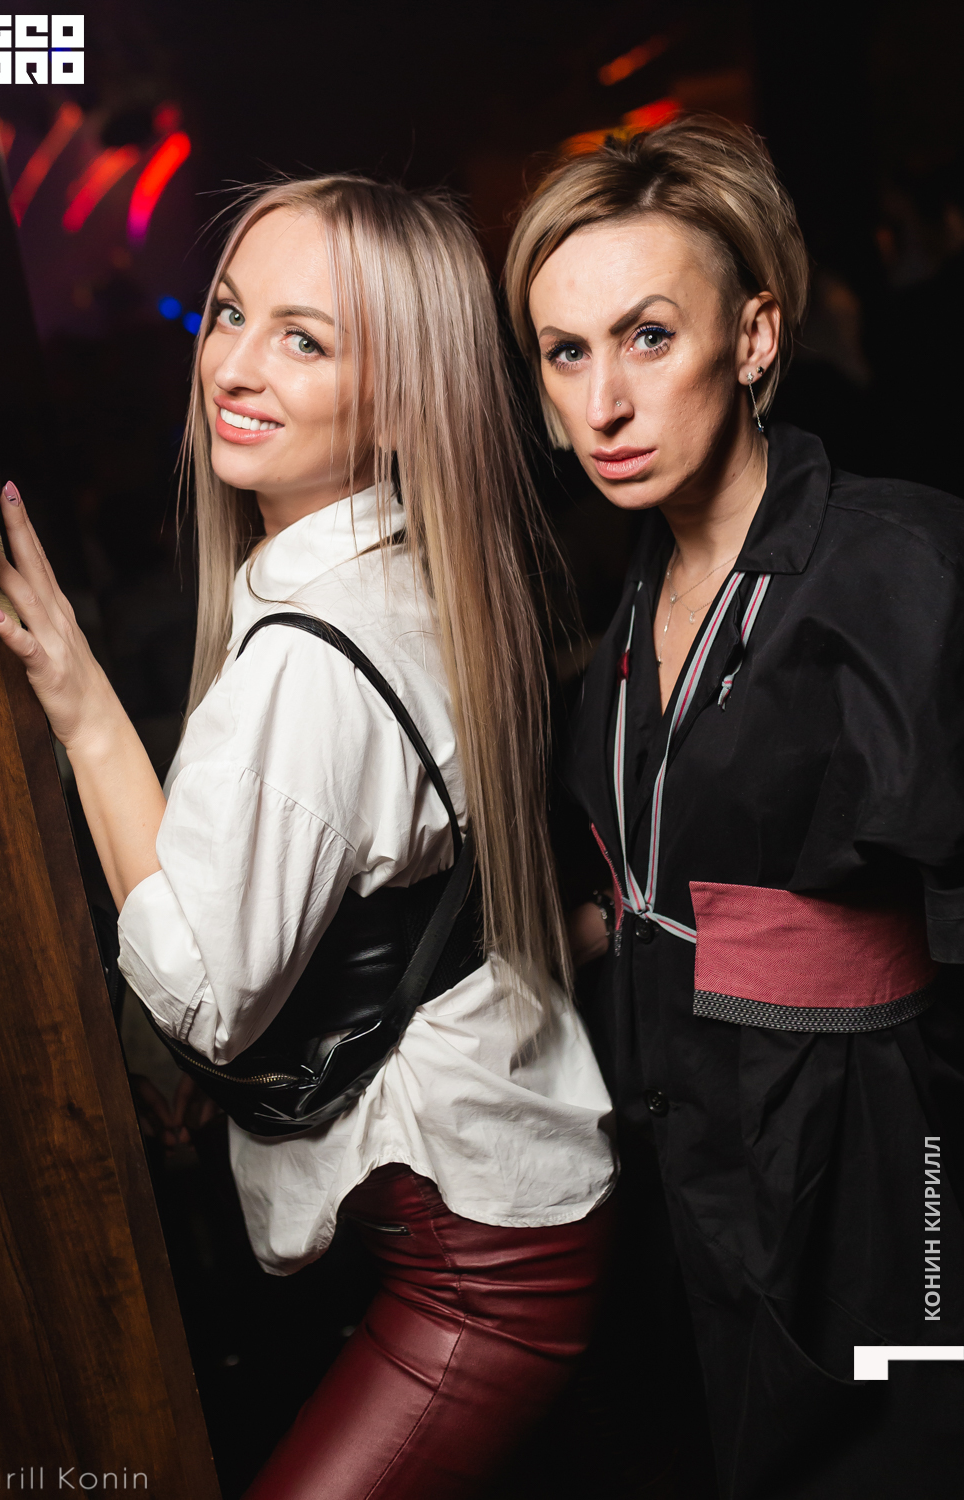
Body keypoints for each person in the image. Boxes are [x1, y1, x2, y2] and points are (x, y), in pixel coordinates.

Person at [0, 176, 617, 1499]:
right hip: (496, 1214)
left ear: (395, 400)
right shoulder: (409, 572)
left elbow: (203, 999)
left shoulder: (310, 663)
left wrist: (85, 712)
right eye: (228, 314)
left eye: (304, 339)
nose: (234, 365)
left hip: (486, 1277)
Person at [504, 116, 964, 1498]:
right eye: (565, 353)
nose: (603, 403)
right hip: (692, 1162)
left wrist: (933, 1222)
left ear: (754, 338)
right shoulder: (626, 607)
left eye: (648, 337)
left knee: (906, 1451)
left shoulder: (901, 567)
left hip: (886, 1182)